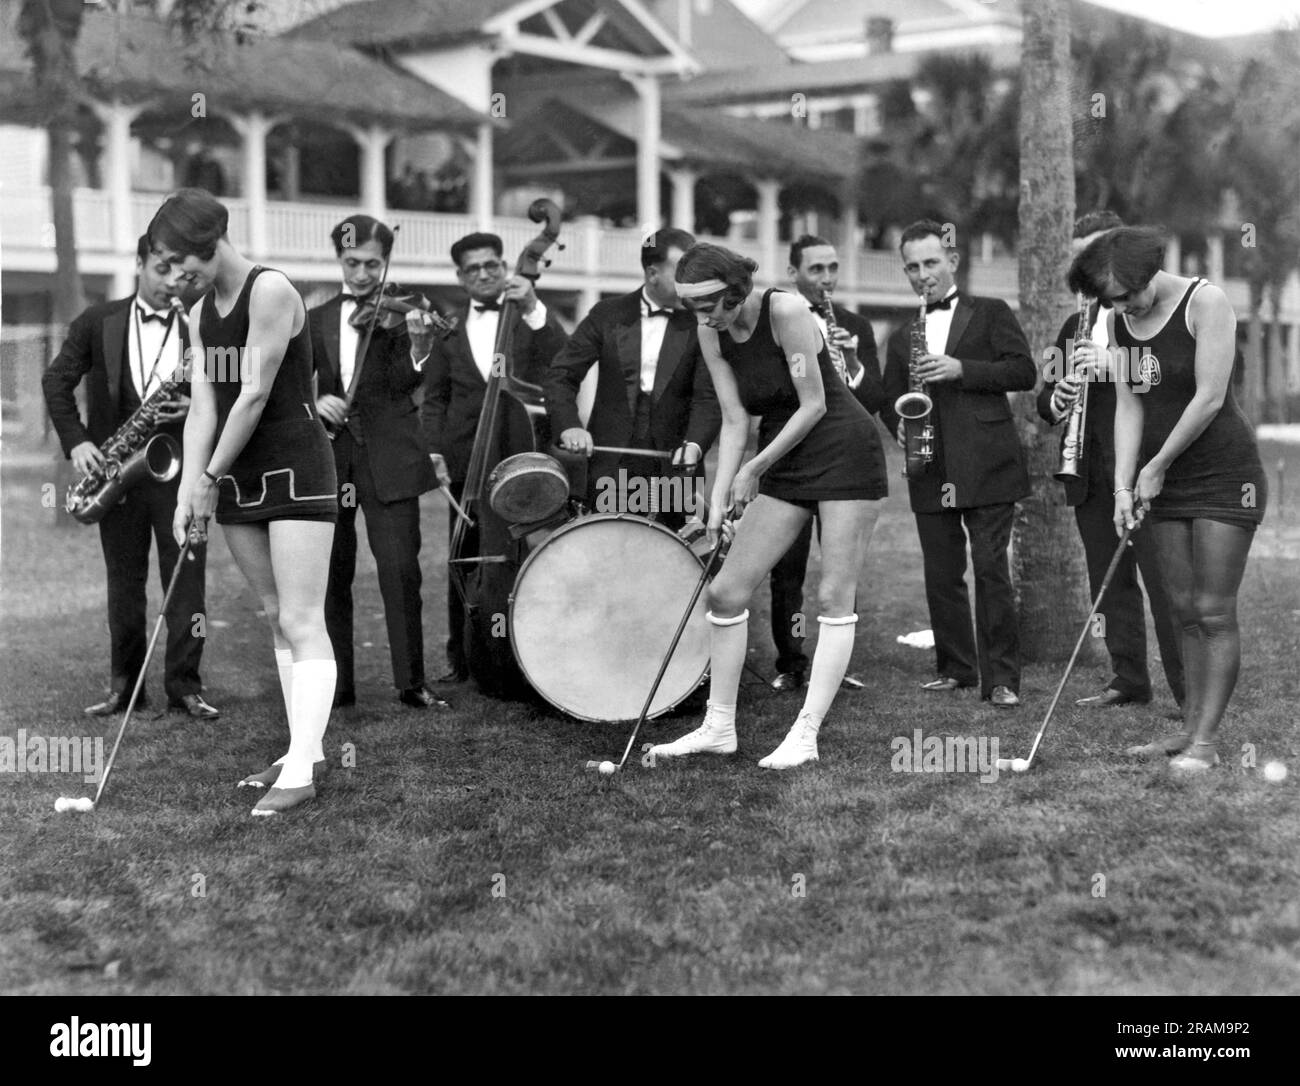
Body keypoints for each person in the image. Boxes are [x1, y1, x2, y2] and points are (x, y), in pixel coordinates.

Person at [647, 243, 886, 770]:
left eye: (711, 304)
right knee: (727, 591)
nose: (704, 317)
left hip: (843, 447)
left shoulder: (786, 310)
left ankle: (805, 733)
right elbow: (734, 420)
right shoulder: (711, 332)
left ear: (734, 289)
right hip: (784, 452)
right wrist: (717, 500)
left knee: (831, 594)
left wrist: (752, 471)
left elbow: (816, 402)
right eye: (694, 307)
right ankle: (718, 727)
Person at [154, 188, 338, 816]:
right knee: (272, 612)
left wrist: (209, 475)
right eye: (168, 266)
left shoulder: (271, 290)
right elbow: (205, 402)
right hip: (239, 472)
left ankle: (305, 771)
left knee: (302, 617)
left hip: (294, 464)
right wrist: (189, 487)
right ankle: (303, 751)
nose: (177, 278)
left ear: (212, 246)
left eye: (184, 263)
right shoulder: (203, 310)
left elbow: (254, 396)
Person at [1068, 226, 1266, 772]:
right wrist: (1123, 486)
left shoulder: (1206, 302)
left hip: (1223, 474)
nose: (1125, 306)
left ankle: (1205, 741)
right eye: (1113, 301)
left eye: (1130, 295)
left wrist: (1156, 466)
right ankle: (1189, 731)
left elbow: (1208, 398)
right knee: (1181, 610)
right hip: (1162, 481)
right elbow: (1130, 404)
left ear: (1149, 271)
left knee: (1212, 610)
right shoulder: (1118, 320)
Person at [42, 235, 219, 721]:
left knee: (188, 585)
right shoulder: (97, 321)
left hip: (181, 477)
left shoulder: (201, 324)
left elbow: (235, 388)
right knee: (123, 586)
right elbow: (56, 381)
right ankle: (125, 689)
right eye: (161, 269)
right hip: (117, 476)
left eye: (180, 273)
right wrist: (77, 441)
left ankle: (185, 687)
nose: (171, 282)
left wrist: (198, 407)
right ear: (139, 262)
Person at [880, 220, 1036, 707]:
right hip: (930, 464)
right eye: (912, 267)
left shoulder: (991, 312)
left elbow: (1024, 371)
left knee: (991, 571)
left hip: (987, 462)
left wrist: (961, 369)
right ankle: (956, 668)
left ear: (952, 261)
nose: (922, 274)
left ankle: (1003, 679)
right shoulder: (904, 333)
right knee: (941, 574)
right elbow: (890, 399)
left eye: (930, 263)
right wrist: (903, 432)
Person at [1038, 212, 1185, 712]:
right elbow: (1044, 399)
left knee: (1164, 583)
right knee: (1109, 583)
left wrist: (1112, 365)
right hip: (1088, 473)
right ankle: (1129, 680)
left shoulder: (1146, 314)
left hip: (1143, 469)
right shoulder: (1072, 326)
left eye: (1096, 248)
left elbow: (1170, 380)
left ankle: (1189, 691)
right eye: (1081, 252)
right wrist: (1055, 400)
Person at [309, 214, 444, 711]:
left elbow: (411, 380)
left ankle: (412, 684)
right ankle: (337, 687)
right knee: (331, 575)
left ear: (387, 261)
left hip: (390, 458)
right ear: (338, 260)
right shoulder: (316, 317)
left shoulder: (404, 313)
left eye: (372, 264)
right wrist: (316, 399)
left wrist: (419, 345)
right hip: (331, 459)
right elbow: (296, 383)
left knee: (400, 570)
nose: (362, 275)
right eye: (352, 263)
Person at [420, 232, 568, 683]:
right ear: (460, 278)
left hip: (522, 456)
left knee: (525, 555)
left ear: (505, 267)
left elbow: (561, 359)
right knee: (464, 557)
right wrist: (432, 451)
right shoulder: (448, 328)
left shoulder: (529, 317)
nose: (483, 274)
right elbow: (435, 398)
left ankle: (531, 656)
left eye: (491, 265)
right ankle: (463, 658)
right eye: (472, 269)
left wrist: (532, 307)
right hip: (466, 458)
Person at [769, 234, 887, 694]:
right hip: (794, 456)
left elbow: (872, 397)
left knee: (841, 567)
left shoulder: (855, 323)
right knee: (788, 570)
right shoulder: (778, 321)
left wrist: (852, 359)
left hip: (842, 461)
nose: (827, 279)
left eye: (832, 268)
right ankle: (792, 661)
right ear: (793, 273)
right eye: (816, 270)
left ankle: (833, 664)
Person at [543, 226, 720, 532]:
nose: (693, 283)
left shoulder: (703, 323)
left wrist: (694, 446)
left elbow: (708, 398)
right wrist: (569, 424)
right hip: (610, 467)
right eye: (684, 273)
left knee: (675, 558)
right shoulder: (606, 314)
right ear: (653, 273)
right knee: (609, 553)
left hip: (676, 469)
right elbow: (561, 374)